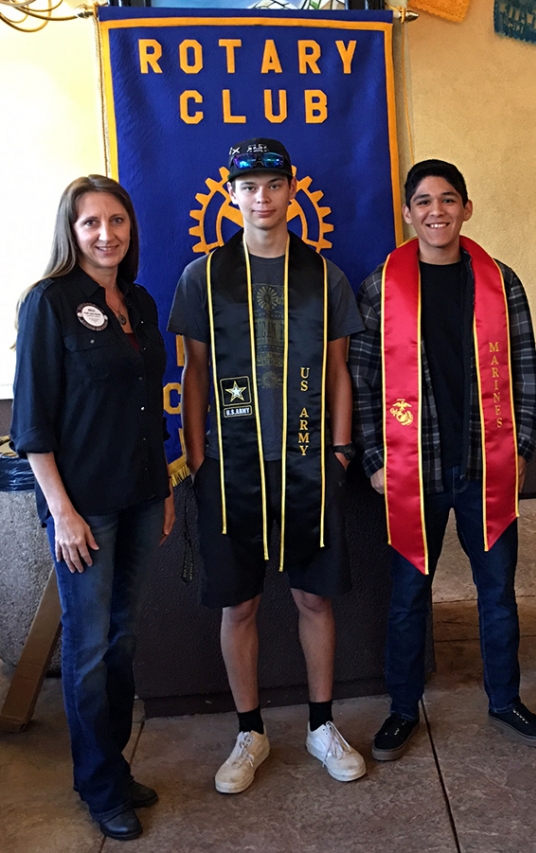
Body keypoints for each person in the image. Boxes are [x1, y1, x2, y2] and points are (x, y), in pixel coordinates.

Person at [168, 138, 365, 793]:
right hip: (232, 468)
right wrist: (197, 457)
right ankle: (250, 729)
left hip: (309, 462)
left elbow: (339, 370)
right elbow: (195, 373)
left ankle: (319, 723)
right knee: (241, 604)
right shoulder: (203, 275)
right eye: (248, 186)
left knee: (313, 596)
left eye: (273, 184)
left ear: (290, 191)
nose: (261, 197)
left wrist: (340, 449)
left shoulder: (323, 274)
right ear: (231, 195)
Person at [349, 159, 536, 761]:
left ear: (467, 208)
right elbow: (361, 379)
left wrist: (522, 447)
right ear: (408, 213)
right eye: (424, 202)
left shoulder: (499, 280)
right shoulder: (380, 286)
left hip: (484, 466)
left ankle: (504, 699)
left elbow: (523, 369)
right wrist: (373, 458)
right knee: (411, 593)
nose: (436, 211)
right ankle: (402, 707)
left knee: (497, 592)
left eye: (448, 199)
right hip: (413, 470)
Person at [10, 175, 175, 841]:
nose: (106, 233)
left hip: (140, 498)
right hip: (83, 507)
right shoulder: (48, 303)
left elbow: (146, 407)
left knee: (121, 641)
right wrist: (64, 512)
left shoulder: (136, 299)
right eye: (90, 223)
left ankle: (110, 766)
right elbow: (32, 422)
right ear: (70, 231)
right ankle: (99, 785)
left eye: (117, 221)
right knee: (87, 649)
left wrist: (162, 489)